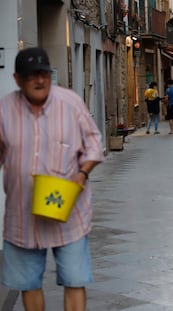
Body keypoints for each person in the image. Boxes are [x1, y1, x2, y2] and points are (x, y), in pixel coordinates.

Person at [0, 47, 105, 311]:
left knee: (75, 280)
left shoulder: (70, 104)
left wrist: (82, 173)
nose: (39, 80)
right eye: (31, 75)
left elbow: (94, 143)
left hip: (69, 214)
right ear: (17, 79)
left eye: (44, 74)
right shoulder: (4, 111)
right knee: (28, 284)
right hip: (22, 217)